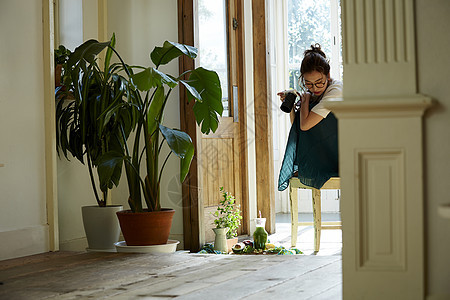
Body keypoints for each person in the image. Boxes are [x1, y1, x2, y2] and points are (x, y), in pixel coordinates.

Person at [278, 44, 343, 191]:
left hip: (349, 146)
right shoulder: (315, 93)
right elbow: (300, 128)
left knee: (315, 113)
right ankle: (307, 165)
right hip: (331, 147)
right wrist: (293, 107)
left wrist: (306, 99)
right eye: (308, 84)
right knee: (310, 113)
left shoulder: (336, 91)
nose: (315, 88)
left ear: (328, 75)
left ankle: (311, 166)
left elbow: (305, 126)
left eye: (319, 82)